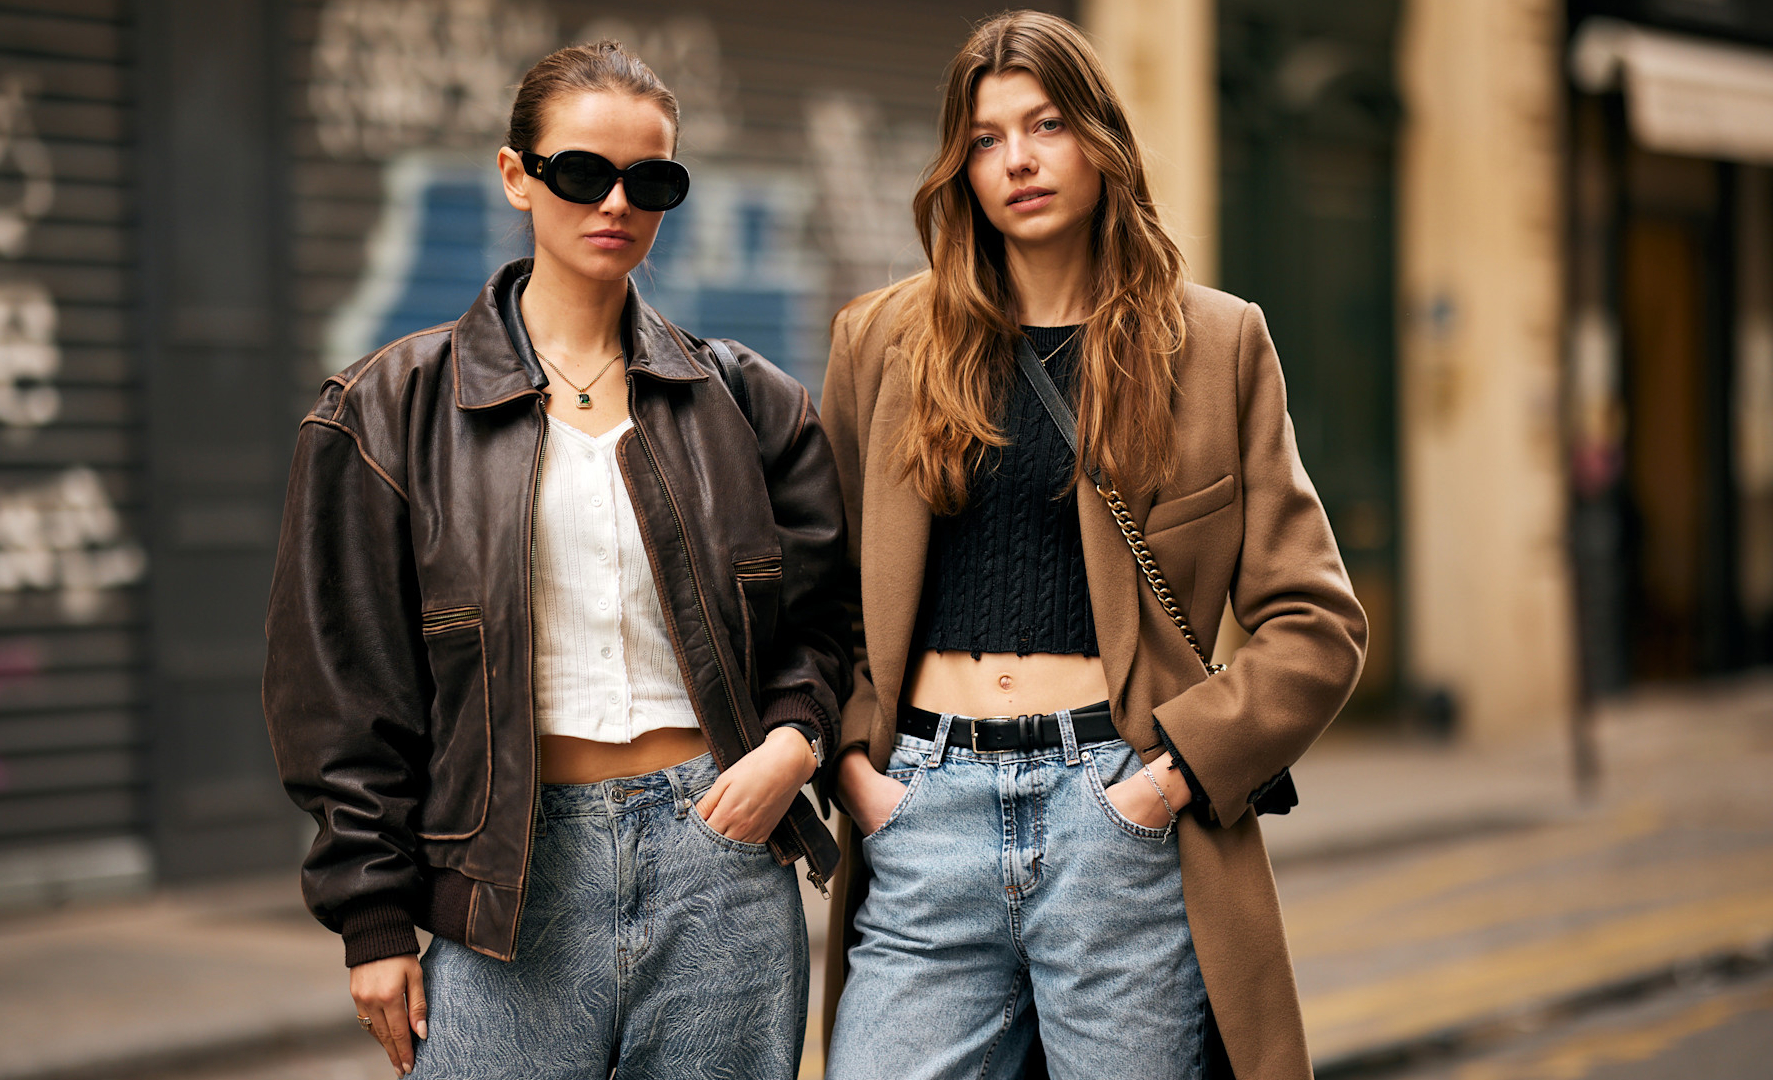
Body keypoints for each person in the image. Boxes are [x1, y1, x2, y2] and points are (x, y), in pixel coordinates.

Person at [263, 40, 850, 1080]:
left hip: (721, 854)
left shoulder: (751, 406)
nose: (615, 202)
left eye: (651, 179)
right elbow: (338, 686)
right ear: (515, 174)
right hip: (508, 877)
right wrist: (373, 920)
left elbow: (830, 625)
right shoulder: (386, 412)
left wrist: (794, 746)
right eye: (581, 171)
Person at [817, 12, 1367, 1080]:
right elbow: (822, 594)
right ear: (960, 167)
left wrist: (1165, 783)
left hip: (1118, 820)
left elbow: (1317, 625)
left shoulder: (1214, 344)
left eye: (1047, 125)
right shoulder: (881, 342)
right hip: (925, 812)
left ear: (1101, 141)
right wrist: (855, 767)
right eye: (986, 138)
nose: (1017, 159)